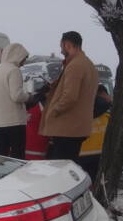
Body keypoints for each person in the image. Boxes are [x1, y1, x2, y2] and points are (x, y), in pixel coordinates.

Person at [40, 31, 99, 162]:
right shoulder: (87, 63)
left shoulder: (75, 65)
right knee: (68, 164)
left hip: (67, 128)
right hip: (75, 127)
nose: (61, 50)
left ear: (67, 44)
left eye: (61, 46)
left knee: (61, 167)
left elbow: (70, 96)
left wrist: (54, 110)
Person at [0, 43, 31, 159]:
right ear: (17, 55)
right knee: (17, 156)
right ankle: (17, 177)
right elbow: (17, 96)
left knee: (1, 157)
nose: (24, 62)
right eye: (24, 58)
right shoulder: (13, 70)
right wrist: (28, 96)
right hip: (15, 122)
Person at [78, 85, 113, 183]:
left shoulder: (81, 110)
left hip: (82, 151)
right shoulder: (109, 112)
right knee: (99, 182)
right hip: (100, 152)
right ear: (103, 94)